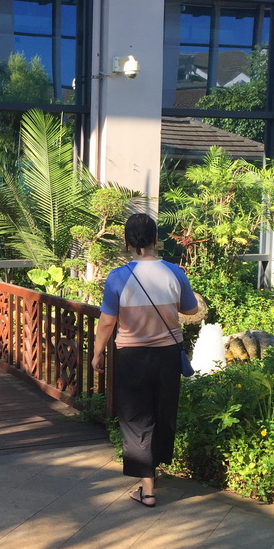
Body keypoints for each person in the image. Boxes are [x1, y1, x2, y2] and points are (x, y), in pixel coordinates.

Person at [91, 212, 198, 508]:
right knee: (163, 412)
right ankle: (153, 473)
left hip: (132, 356)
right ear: (155, 240)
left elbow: (106, 323)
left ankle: (147, 488)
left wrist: (98, 352)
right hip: (167, 356)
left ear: (127, 242)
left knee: (137, 418)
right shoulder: (175, 272)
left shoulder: (118, 277)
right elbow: (189, 310)